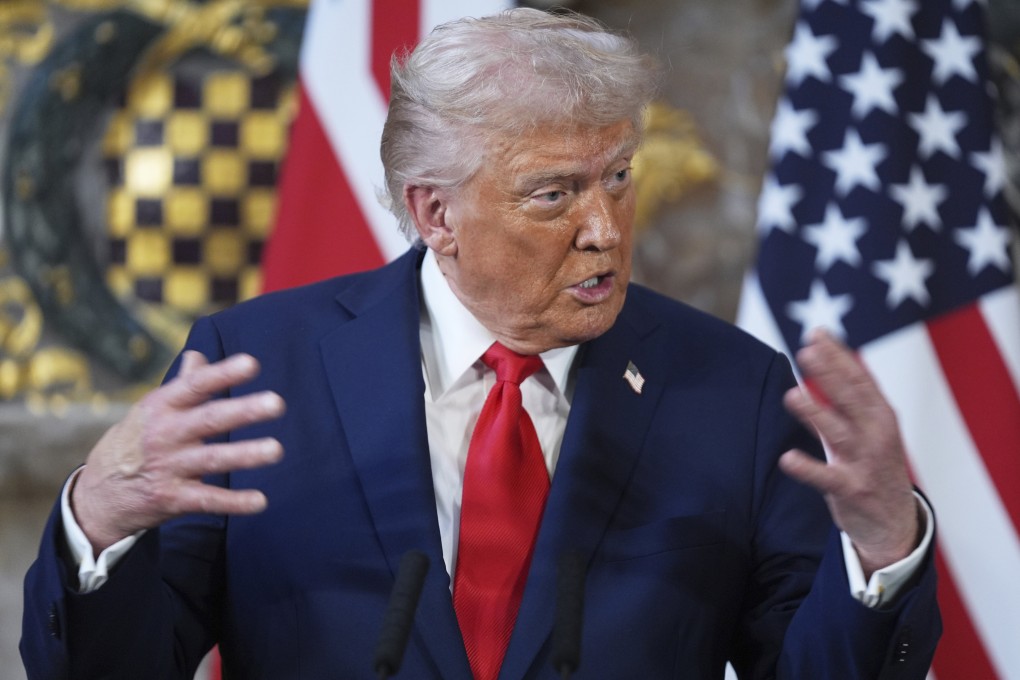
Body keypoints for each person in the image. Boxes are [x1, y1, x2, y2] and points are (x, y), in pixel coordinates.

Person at [22, 8, 939, 679]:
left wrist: (880, 550)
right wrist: (98, 525)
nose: (605, 229)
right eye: (554, 194)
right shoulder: (263, 368)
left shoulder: (732, 392)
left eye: (619, 177)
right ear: (435, 214)